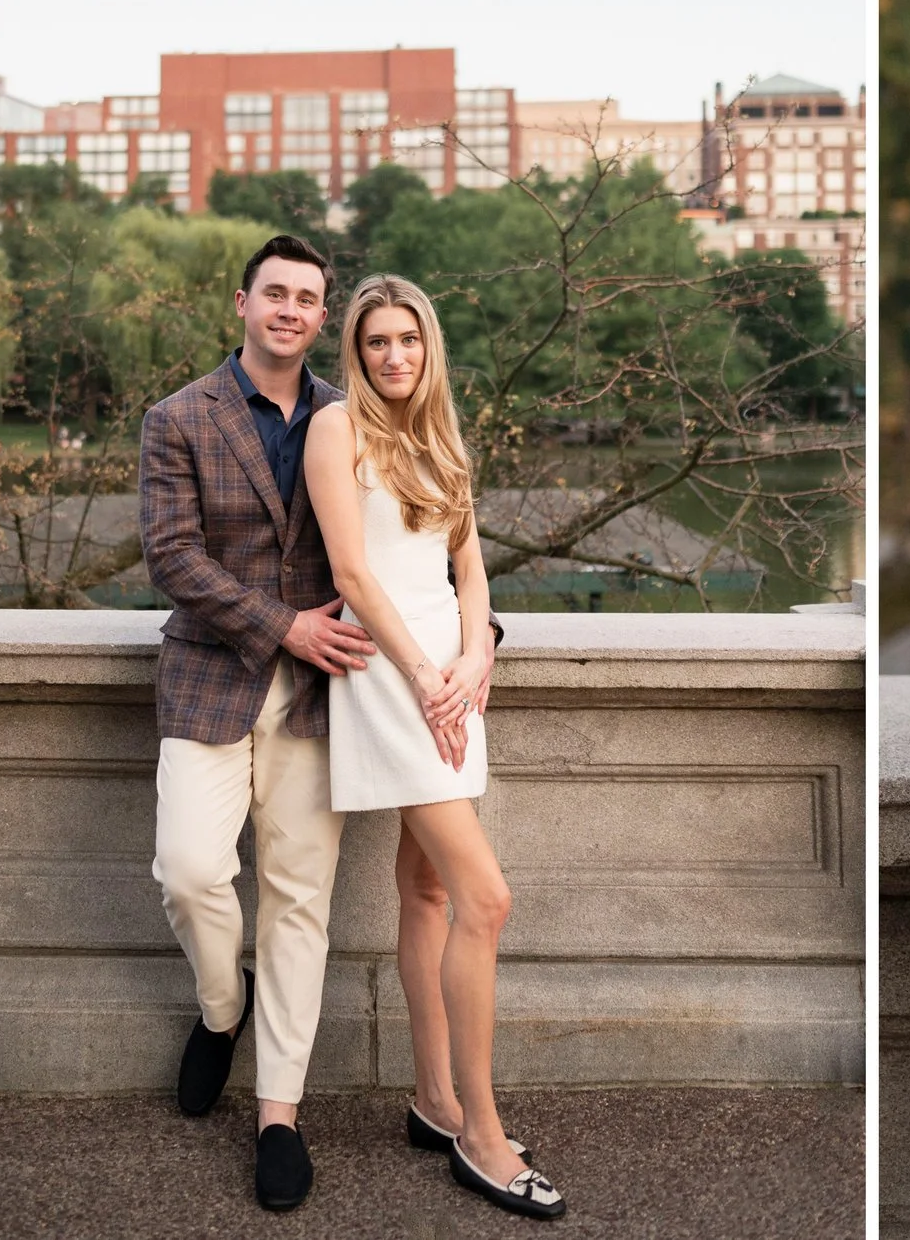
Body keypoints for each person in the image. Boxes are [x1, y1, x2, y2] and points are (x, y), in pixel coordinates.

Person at [302, 273, 564, 1222]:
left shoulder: (441, 433)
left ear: (430, 345)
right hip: (387, 670)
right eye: (376, 342)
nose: (394, 356)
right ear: (357, 352)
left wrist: (477, 652)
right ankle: (484, 1136)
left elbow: (469, 566)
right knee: (488, 898)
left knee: (430, 890)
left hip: (450, 672)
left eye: (408, 339)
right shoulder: (340, 431)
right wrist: (422, 672)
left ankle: (434, 1099)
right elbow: (350, 573)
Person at [141, 233, 371, 1213]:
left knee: (298, 902)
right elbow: (172, 557)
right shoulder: (177, 417)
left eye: (306, 297)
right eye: (273, 292)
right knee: (190, 870)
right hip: (211, 676)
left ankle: (279, 1116)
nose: (288, 309)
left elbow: (418, 532)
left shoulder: (353, 417)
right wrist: (283, 625)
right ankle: (220, 1010)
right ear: (240, 303)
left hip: (325, 698)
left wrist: (472, 623)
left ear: (323, 317)